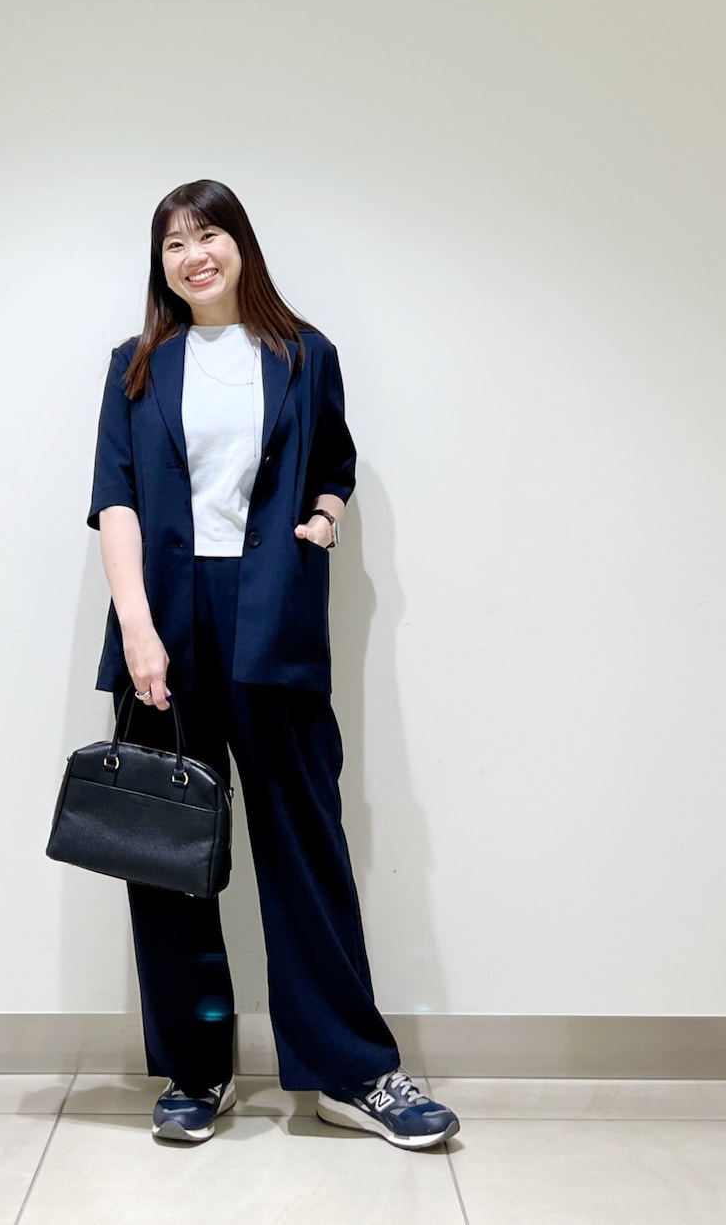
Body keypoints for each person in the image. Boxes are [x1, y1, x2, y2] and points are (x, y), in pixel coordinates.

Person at [86, 179, 459, 1149]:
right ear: (161, 265)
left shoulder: (304, 354)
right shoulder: (135, 366)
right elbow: (115, 499)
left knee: (305, 844)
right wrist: (137, 626)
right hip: (163, 624)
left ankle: (349, 1071)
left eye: (208, 233)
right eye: (174, 242)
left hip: (272, 615)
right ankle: (196, 1070)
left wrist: (324, 519)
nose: (193, 254)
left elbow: (333, 460)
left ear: (240, 244)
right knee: (170, 858)